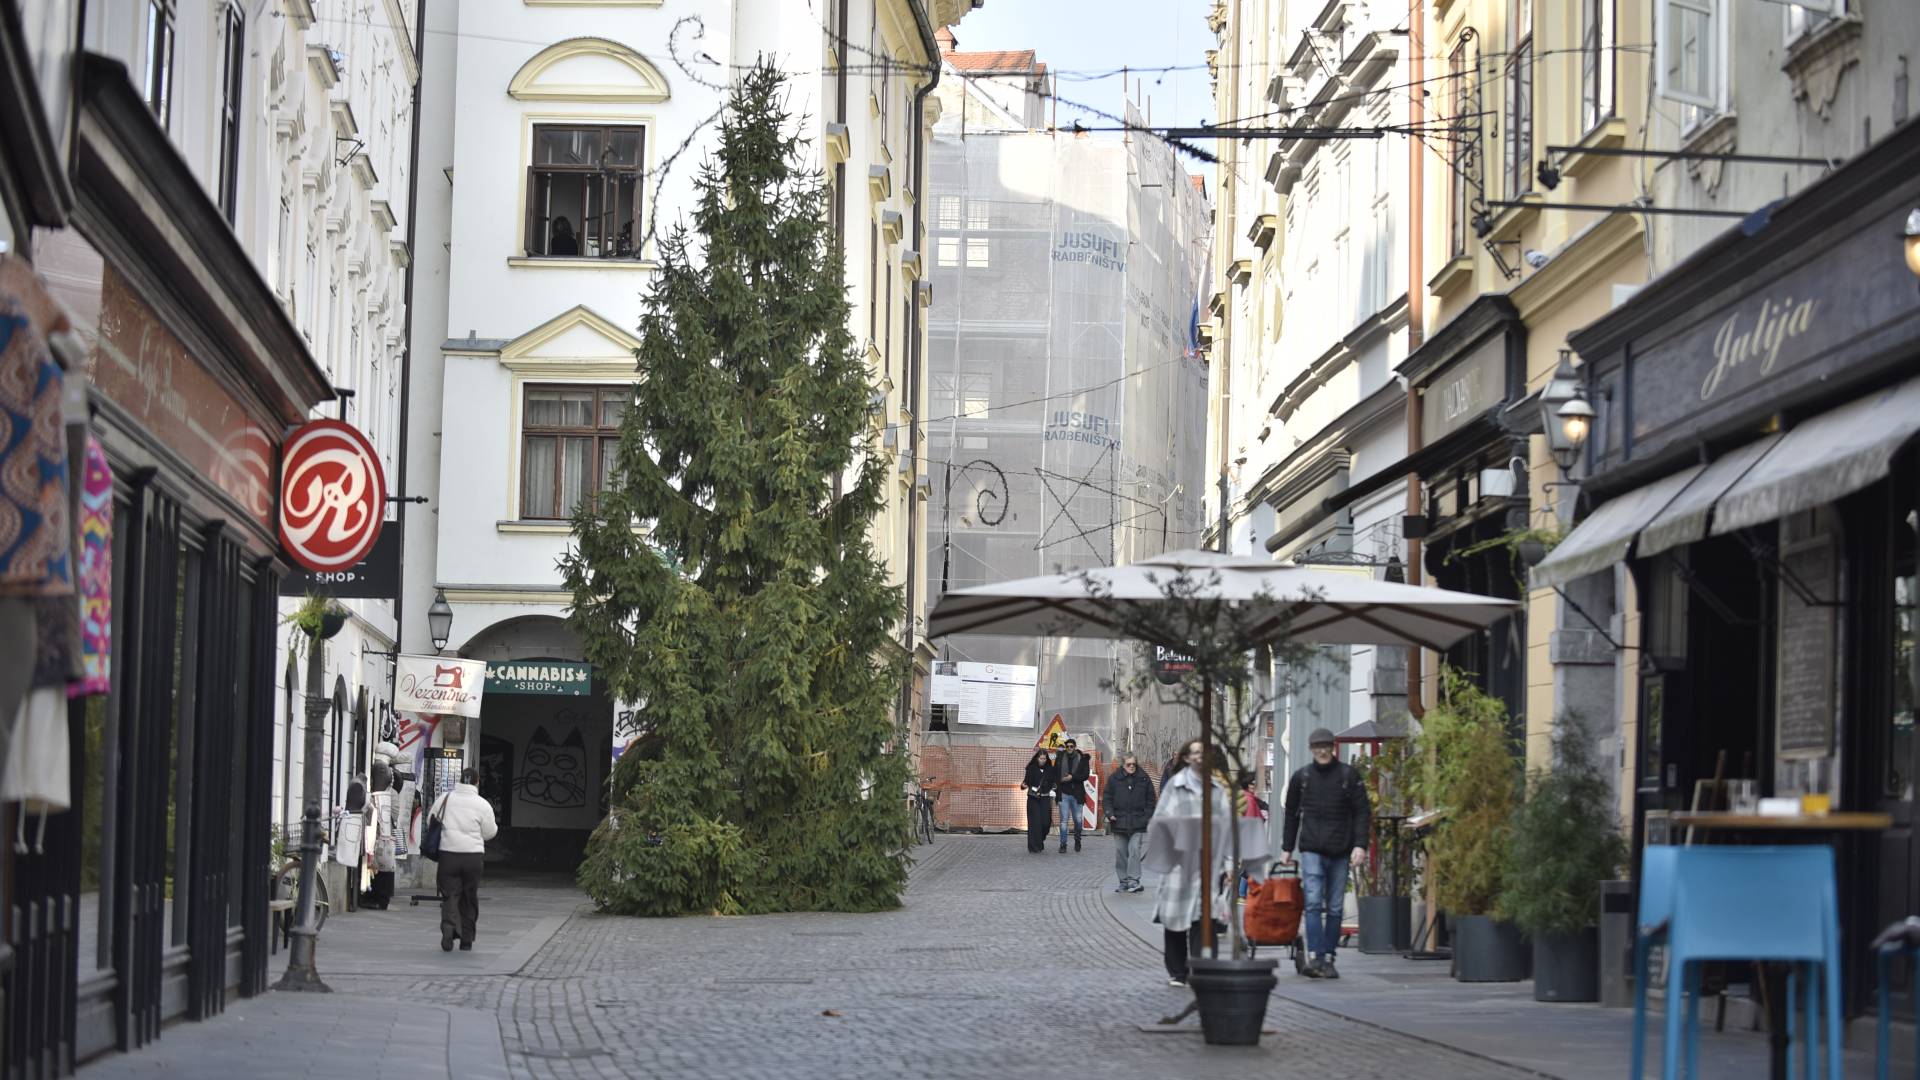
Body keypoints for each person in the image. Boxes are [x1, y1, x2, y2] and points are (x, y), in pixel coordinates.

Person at [1280, 728, 1371, 979]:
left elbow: (1363, 812)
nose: (1321, 750)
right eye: (1317, 746)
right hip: (1311, 849)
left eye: (1326, 746)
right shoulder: (1303, 778)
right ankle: (1315, 957)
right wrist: (1287, 847)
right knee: (1311, 903)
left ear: (1333, 747)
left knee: (1334, 907)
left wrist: (1360, 845)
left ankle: (1328, 957)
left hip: (1340, 850)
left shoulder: (1348, 776)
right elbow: (1290, 814)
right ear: (1311, 749)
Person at [1149, 738, 1235, 988]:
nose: (1200, 757)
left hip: (1209, 865)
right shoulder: (1175, 786)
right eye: (1195, 753)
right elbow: (1160, 822)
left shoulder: (1217, 790)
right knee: (1175, 920)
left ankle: (1203, 969)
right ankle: (1177, 972)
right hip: (1179, 864)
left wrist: (1229, 865)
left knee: (1204, 918)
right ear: (1186, 757)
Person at [430, 768, 499, 952]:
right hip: (472, 857)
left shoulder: (444, 799)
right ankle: (466, 938)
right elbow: (490, 832)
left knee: (449, 895)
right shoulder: (483, 805)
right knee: (469, 896)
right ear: (477, 782)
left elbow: (432, 819)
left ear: (460, 780)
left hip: (448, 855)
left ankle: (448, 928)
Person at [1105, 754, 1157, 893]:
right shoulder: (1114, 779)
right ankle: (1123, 881)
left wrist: (1147, 816)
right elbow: (1107, 797)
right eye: (1128, 764)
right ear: (1123, 765)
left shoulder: (1144, 778)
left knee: (1134, 850)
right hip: (1119, 821)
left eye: (1134, 764)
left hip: (1138, 821)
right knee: (1120, 853)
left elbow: (1151, 799)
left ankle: (1134, 881)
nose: (1132, 766)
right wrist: (1110, 813)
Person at [1054, 738, 1091, 853]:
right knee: (1063, 821)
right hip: (1063, 793)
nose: (1069, 748)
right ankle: (1063, 844)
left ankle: (1077, 840)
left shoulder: (1083, 759)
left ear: (1075, 747)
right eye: (1067, 746)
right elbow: (1055, 773)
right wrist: (1056, 785)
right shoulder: (1060, 758)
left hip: (1077, 794)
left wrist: (1072, 777)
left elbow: (1085, 775)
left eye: (1071, 746)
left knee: (1078, 820)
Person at [1019, 748, 1056, 853]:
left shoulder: (1050, 769)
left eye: (1044, 759)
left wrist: (1054, 788)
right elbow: (1025, 783)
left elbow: (1053, 782)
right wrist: (1023, 786)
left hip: (1045, 798)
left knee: (1045, 822)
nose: (1043, 760)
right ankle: (1034, 846)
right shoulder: (1031, 769)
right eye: (1041, 758)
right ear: (1037, 758)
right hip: (1033, 799)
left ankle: (1040, 840)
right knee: (1035, 823)